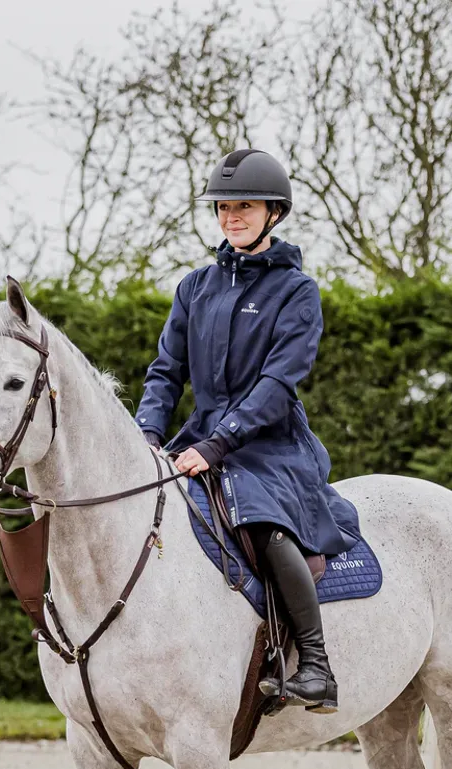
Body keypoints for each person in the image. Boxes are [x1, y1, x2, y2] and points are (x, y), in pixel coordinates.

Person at [135, 148, 360, 714]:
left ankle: (316, 666)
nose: (232, 217)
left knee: (261, 521)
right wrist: (147, 436)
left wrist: (219, 444)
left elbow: (278, 385)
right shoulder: (195, 288)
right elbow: (166, 371)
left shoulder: (296, 292)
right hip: (201, 436)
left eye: (245, 206)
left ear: (274, 213)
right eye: (224, 207)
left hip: (270, 443)